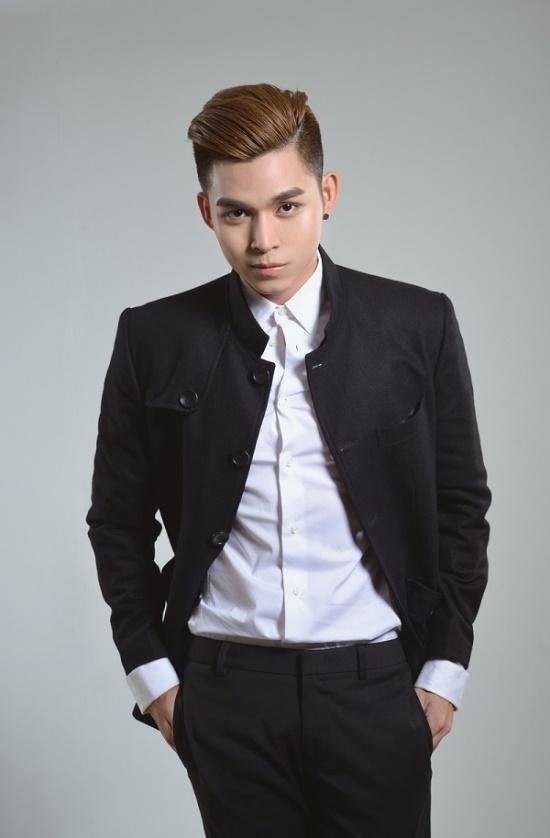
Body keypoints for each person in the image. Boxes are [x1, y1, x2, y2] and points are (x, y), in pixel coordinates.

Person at [86, 82, 491, 837]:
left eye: (286, 206)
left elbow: (462, 509)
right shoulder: (153, 337)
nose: (262, 239)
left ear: (326, 194)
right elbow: (116, 521)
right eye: (236, 213)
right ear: (206, 211)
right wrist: (154, 678)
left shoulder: (418, 324)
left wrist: (444, 670)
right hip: (225, 692)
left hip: (374, 688)